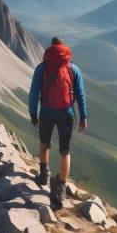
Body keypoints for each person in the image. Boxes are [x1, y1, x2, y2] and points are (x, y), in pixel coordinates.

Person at [28, 37, 87, 210]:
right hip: (67, 113)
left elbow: (33, 92)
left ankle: (44, 174)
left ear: (50, 48)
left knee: (44, 143)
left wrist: (33, 113)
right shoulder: (72, 68)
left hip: (46, 111)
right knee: (65, 151)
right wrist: (83, 116)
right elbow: (80, 94)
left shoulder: (42, 68)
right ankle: (61, 187)